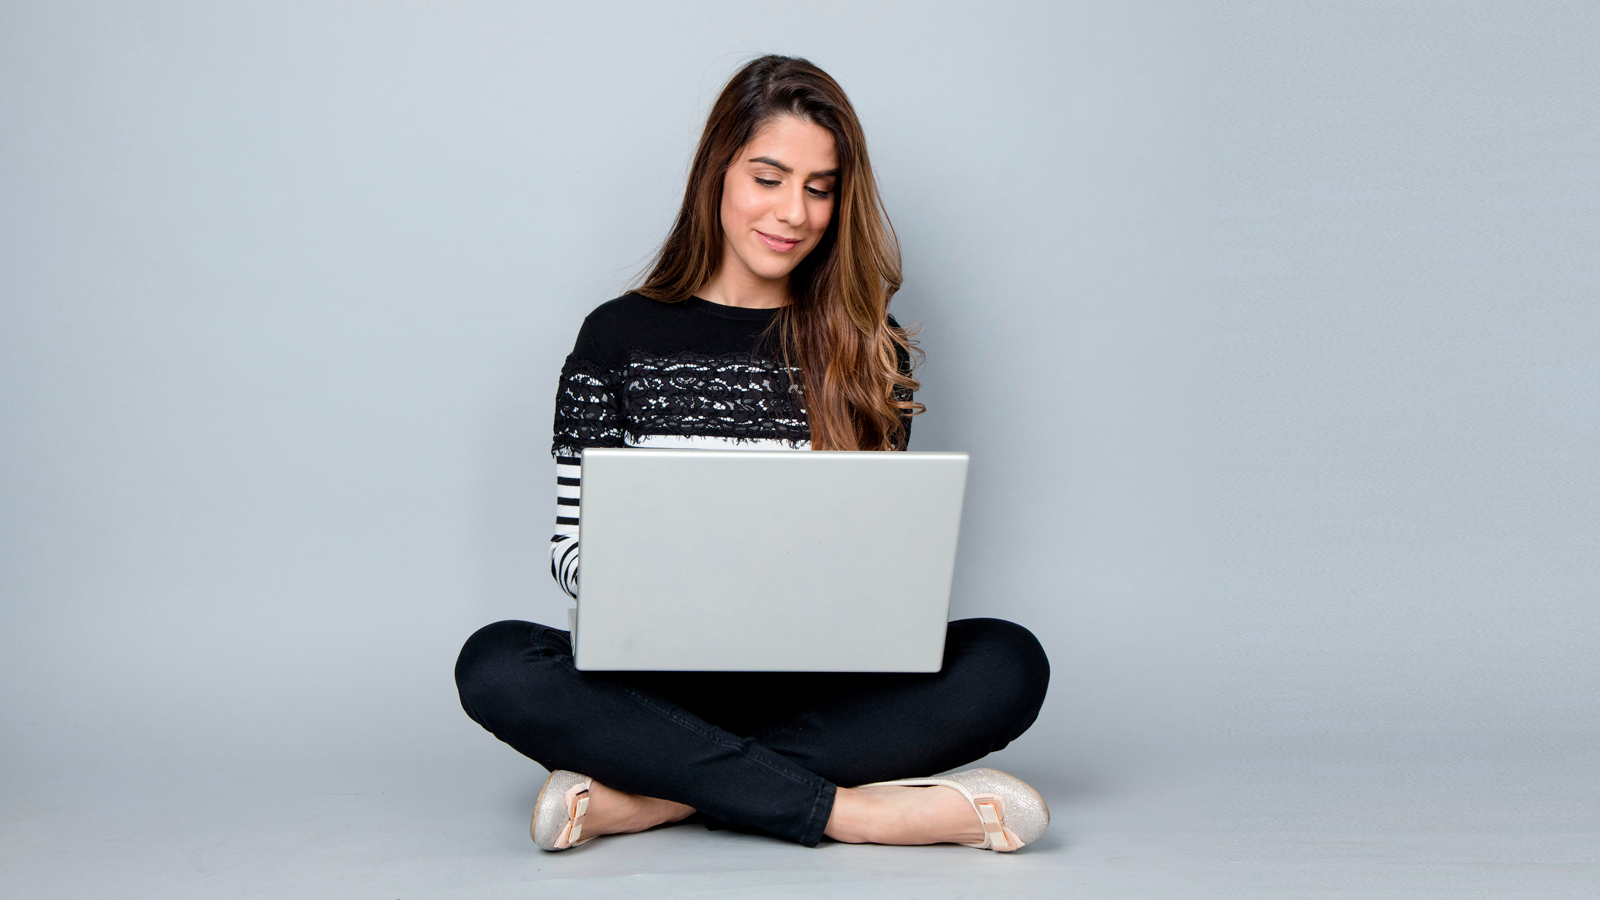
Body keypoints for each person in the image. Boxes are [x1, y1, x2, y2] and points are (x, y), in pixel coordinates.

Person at [454, 55, 1051, 852]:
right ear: (717, 174)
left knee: (1010, 662)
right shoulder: (615, 338)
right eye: (768, 178)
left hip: (818, 690)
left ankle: (656, 793)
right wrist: (653, 573)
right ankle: (852, 812)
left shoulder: (869, 350)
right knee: (494, 662)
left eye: (819, 186)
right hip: (648, 682)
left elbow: (880, 563)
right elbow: (570, 549)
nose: (794, 213)